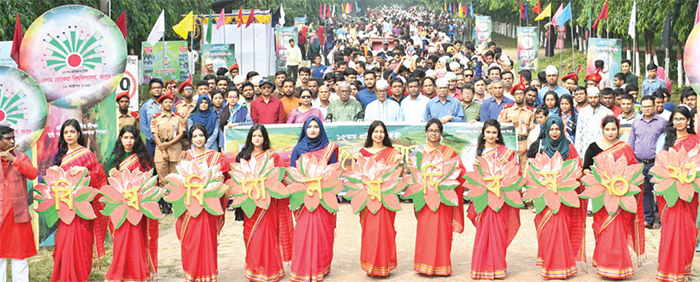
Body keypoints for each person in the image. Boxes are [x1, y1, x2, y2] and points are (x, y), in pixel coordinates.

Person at [582, 116, 645, 279]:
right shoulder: (593, 147)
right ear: (602, 129)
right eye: (607, 129)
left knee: (618, 229)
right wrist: (593, 175)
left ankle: (619, 266)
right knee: (602, 229)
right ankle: (603, 263)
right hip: (602, 197)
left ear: (618, 129)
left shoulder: (625, 148)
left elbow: (634, 169)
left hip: (621, 197)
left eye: (613, 129)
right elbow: (586, 169)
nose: (610, 132)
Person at [526, 116, 585, 279]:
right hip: (544, 197)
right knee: (547, 229)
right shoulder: (540, 146)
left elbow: (577, 166)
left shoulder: (569, 147)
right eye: (551, 129)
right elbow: (531, 168)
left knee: (561, 229)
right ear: (546, 130)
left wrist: (578, 174)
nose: (554, 132)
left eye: (557, 129)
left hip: (563, 197)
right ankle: (549, 263)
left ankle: (563, 265)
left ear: (562, 129)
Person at [50, 119, 108, 282]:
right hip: (64, 208)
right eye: (66, 132)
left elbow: (101, 177)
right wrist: (54, 171)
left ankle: (80, 277)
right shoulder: (60, 154)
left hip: (82, 208)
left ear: (78, 134)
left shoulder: (86, 154)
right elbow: (56, 182)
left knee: (81, 243)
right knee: (62, 244)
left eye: (72, 132)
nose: (69, 135)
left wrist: (86, 171)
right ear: (62, 135)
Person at [235, 125, 294, 282]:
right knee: (251, 235)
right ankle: (253, 269)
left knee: (267, 235)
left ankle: (270, 270)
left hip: (268, 203)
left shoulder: (272, 156)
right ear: (250, 137)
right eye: (254, 136)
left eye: (260, 136)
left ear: (264, 138)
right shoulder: (243, 156)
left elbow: (281, 176)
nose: (257, 138)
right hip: (250, 204)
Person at [410, 118, 465, 276]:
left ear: (441, 133)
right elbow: (413, 174)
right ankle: (423, 264)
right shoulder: (418, 151)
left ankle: (442, 265)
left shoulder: (449, 152)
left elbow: (460, 171)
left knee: (442, 231)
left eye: (436, 130)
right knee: (425, 231)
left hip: (443, 199)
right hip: (425, 198)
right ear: (426, 132)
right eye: (430, 130)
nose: (433, 133)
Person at [104, 125, 159, 282]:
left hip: (137, 207)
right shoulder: (115, 158)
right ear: (120, 139)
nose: (129, 141)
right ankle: (119, 272)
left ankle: (138, 274)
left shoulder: (143, 158)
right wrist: (112, 174)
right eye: (125, 137)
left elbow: (151, 182)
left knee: (136, 239)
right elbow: (109, 185)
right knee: (121, 240)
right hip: (121, 207)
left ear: (136, 139)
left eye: (132, 137)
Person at [176, 125, 230, 282]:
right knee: (190, 240)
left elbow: (225, 178)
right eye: (195, 136)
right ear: (191, 139)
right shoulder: (185, 156)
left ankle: (208, 273)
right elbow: (179, 179)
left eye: (201, 135)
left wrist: (222, 179)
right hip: (190, 205)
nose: (198, 139)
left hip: (208, 206)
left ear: (206, 137)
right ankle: (192, 272)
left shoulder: (216, 157)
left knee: (207, 239)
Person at [468, 119, 521, 279]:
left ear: (498, 135)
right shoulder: (478, 151)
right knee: (483, 233)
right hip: (484, 199)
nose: (491, 136)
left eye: (494, 133)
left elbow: (515, 176)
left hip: (499, 199)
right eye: (488, 132)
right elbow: (475, 177)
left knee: (498, 233)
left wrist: (510, 164)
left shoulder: (506, 153)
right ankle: (481, 267)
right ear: (483, 134)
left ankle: (497, 267)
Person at [349, 121, 403, 277]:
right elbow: (356, 175)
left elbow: (398, 176)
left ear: (385, 134)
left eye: (381, 132)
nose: (378, 135)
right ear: (370, 134)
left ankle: (385, 265)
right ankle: (370, 265)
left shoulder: (393, 152)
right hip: (368, 199)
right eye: (376, 131)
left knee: (386, 230)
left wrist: (399, 162)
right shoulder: (362, 152)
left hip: (385, 198)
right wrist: (354, 159)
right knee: (370, 231)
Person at [289, 116, 339, 282]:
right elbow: (292, 173)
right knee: (303, 233)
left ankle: (321, 266)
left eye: (316, 126)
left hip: (323, 198)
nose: (312, 129)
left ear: (321, 129)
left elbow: (333, 174)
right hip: (304, 199)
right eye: (309, 126)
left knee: (323, 232)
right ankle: (302, 268)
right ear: (304, 129)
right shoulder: (298, 148)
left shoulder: (330, 148)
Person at [653, 106, 699, 282]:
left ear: (689, 120)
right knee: (671, 229)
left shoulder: (695, 140)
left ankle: (683, 269)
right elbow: (659, 161)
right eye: (676, 119)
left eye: (682, 119)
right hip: (670, 191)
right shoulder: (666, 139)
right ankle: (669, 269)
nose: (678, 122)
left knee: (687, 229)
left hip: (689, 191)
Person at [0, 125, 37, 282]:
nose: (12, 141)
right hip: (1, 217)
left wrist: (13, 159)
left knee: (20, 257)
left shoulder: (21, 157)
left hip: (18, 216)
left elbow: (32, 173)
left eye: (13, 138)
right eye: (7, 138)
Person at [629, 95, 667, 228]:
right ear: (641, 107)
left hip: (655, 163)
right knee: (644, 192)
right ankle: (648, 219)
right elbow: (631, 142)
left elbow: (666, 142)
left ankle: (663, 221)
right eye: (644, 106)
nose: (647, 108)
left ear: (654, 106)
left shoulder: (662, 122)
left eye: (649, 106)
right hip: (640, 162)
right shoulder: (636, 122)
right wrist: (633, 161)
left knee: (660, 191)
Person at [152, 92, 187, 185]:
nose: (168, 104)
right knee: (162, 179)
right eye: (166, 102)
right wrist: (163, 150)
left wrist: (169, 144)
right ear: (161, 104)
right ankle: (164, 198)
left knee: (175, 179)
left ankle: (173, 198)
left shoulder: (179, 117)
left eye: (170, 102)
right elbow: (155, 134)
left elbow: (181, 133)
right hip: (160, 150)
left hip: (175, 149)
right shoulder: (156, 118)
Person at [498, 82, 533, 174]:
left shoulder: (530, 112)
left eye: (521, 94)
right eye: (517, 94)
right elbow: (497, 124)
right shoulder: (507, 110)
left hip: (524, 144)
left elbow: (532, 130)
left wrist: (527, 145)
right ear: (513, 96)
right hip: (509, 143)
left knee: (524, 170)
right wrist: (508, 120)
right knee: (509, 169)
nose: (519, 96)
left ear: (524, 95)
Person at [575, 87, 612, 156]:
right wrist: (578, 153)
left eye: (595, 97)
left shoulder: (607, 112)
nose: (593, 100)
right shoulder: (583, 112)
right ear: (587, 98)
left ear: (600, 97)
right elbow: (579, 133)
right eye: (591, 98)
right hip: (586, 148)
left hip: (602, 148)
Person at [140, 78, 164, 156]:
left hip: (166, 140)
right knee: (152, 164)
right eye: (154, 88)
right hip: (151, 142)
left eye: (159, 87)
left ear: (162, 89)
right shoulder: (145, 105)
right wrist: (152, 138)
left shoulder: (169, 103)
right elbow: (143, 124)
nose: (157, 90)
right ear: (150, 91)